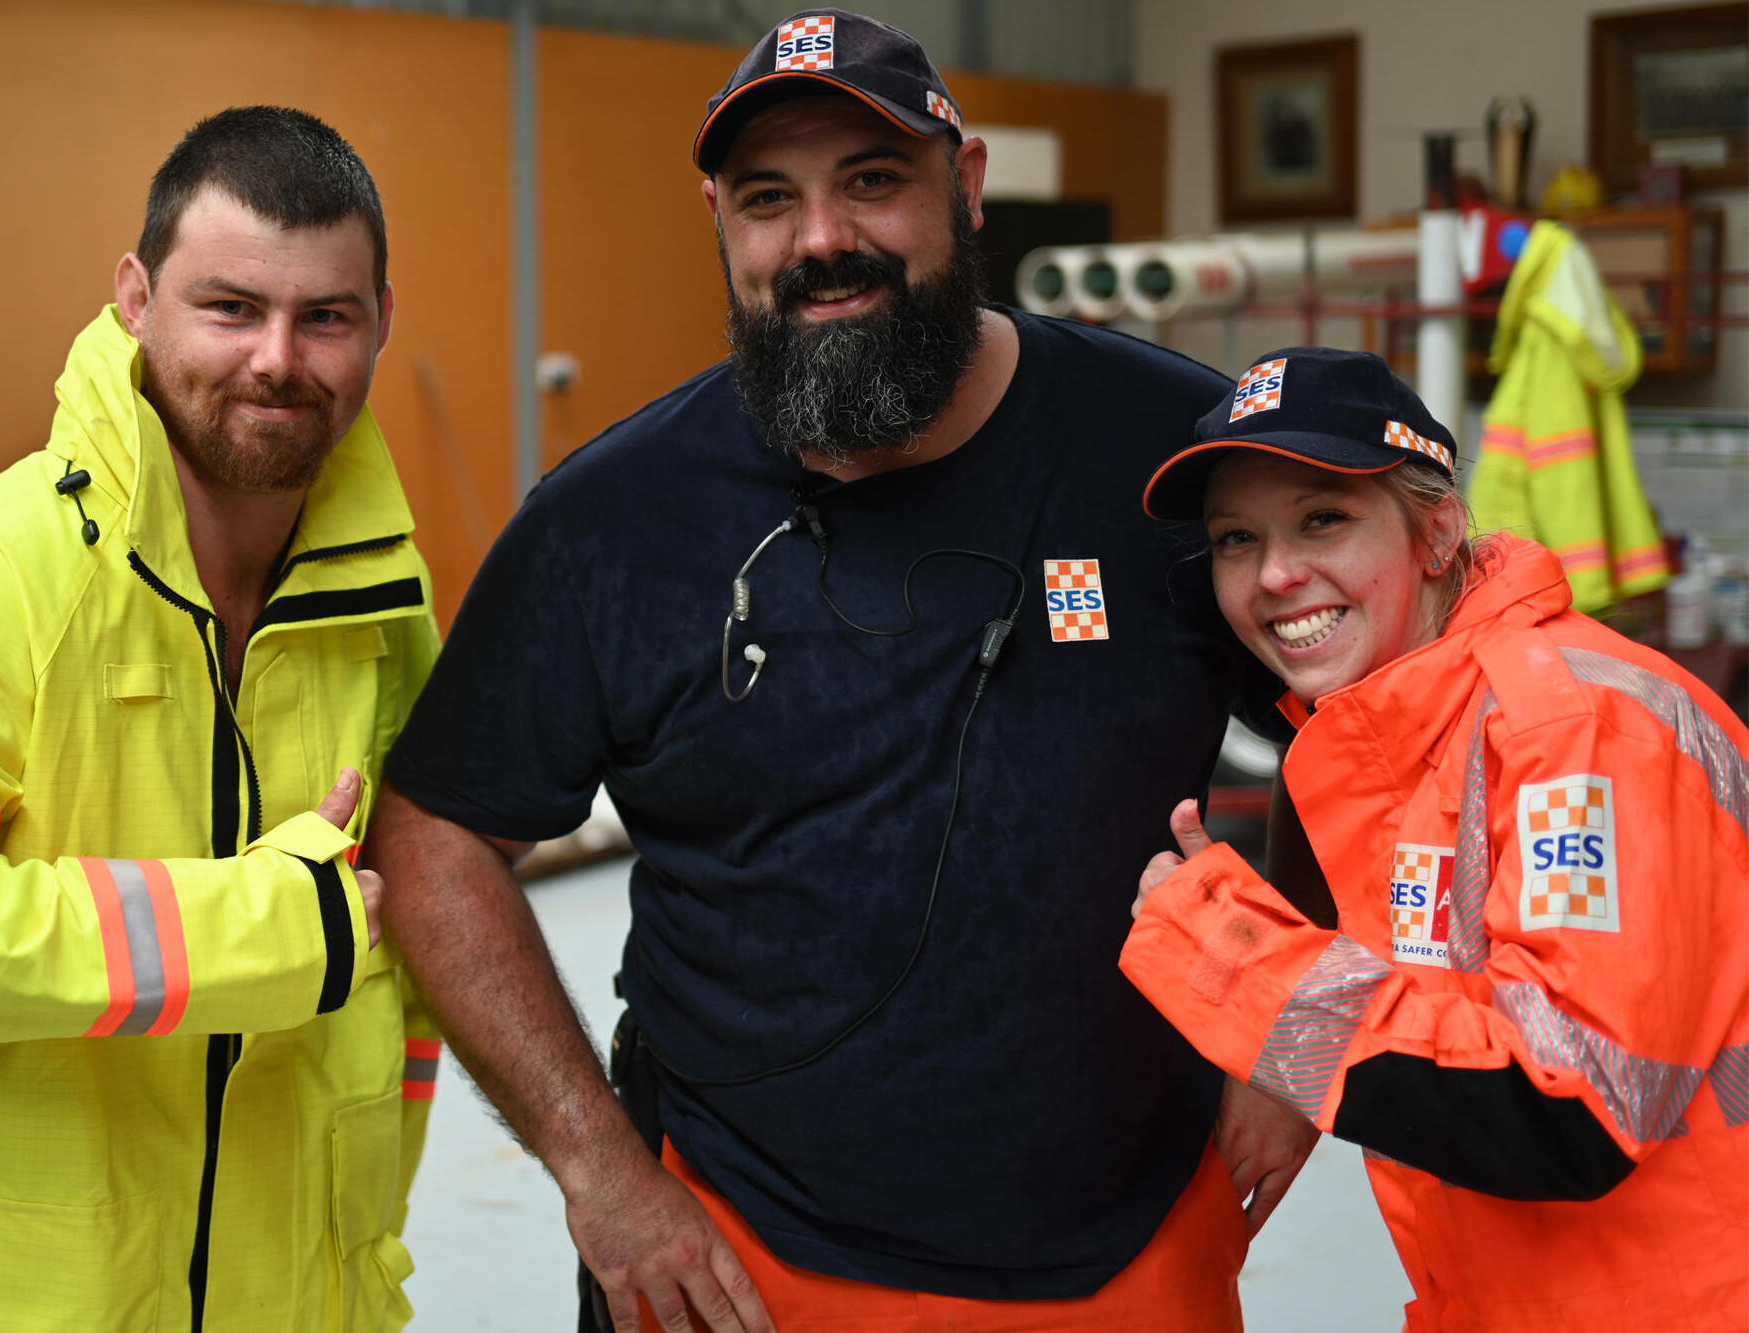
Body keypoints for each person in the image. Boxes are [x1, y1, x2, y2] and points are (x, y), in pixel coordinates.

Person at [373, 11, 1311, 1331]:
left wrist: (1302, 1038)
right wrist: (599, 1173)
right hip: (740, 1263)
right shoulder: (613, 520)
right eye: (771, 200)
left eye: (873, 181)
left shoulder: (1170, 456)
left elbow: (1380, 720)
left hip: (1128, 1248)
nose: (821, 241)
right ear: (720, 221)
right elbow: (433, 836)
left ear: (966, 185)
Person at [0, 107, 443, 1332]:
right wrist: (257, 925)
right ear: (134, 299)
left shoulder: (383, 601)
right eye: (228, 307)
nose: (276, 358)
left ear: (381, 320)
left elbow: (402, 982)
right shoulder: (12, 563)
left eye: (323, 316)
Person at [1122, 346, 1748, 1332]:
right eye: (1236, 538)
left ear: (1436, 530)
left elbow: (1564, 1112)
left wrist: (1244, 972)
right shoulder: (1397, 737)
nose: (1277, 574)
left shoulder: (1567, 729)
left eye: (1321, 518)